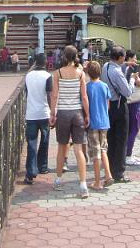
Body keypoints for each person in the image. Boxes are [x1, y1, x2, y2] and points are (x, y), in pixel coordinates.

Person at [50, 46, 90, 198]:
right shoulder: (80, 73)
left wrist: (53, 113)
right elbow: (84, 97)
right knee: (78, 150)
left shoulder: (58, 73)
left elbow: (54, 95)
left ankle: (59, 180)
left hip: (63, 113)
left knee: (61, 148)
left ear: (65, 57)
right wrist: (87, 114)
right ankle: (83, 185)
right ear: (76, 56)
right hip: (77, 113)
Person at [101, 45, 133, 182]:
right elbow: (128, 92)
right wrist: (131, 80)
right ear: (120, 57)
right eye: (124, 56)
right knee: (121, 140)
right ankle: (119, 173)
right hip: (119, 106)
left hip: (108, 106)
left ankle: (109, 169)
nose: (125, 58)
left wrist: (126, 64)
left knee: (111, 139)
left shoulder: (106, 66)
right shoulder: (118, 73)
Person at [84, 61, 114, 190]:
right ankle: (108, 175)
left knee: (95, 153)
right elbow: (108, 105)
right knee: (103, 150)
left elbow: (85, 105)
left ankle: (97, 182)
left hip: (93, 123)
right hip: (104, 122)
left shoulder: (87, 87)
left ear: (88, 73)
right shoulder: (104, 86)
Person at [23, 53, 52, 184]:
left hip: (31, 114)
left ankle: (30, 172)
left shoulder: (28, 76)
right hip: (44, 112)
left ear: (35, 63)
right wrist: (52, 112)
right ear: (45, 63)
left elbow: (26, 92)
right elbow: (49, 95)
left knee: (31, 143)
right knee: (45, 141)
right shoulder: (47, 76)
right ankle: (42, 166)